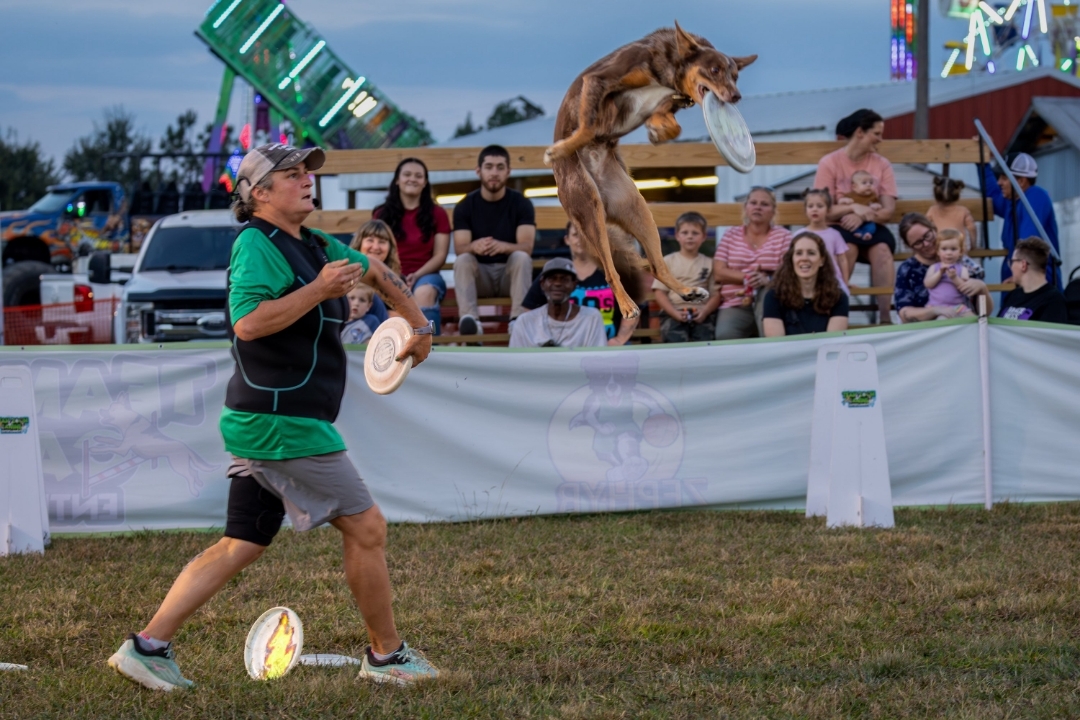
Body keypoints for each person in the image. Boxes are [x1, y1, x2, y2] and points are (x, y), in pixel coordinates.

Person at [106, 143, 439, 691]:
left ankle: (147, 647)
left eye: (308, 172)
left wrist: (419, 325)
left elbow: (377, 270)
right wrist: (318, 290)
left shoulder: (313, 243)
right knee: (367, 526)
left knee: (242, 543)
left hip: (265, 418)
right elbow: (248, 323)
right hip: (280, 423)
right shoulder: (256, 244)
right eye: (292, 174)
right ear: (259, 193)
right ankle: (387, 657)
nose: (307, 180)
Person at [813, 109, 898, 321]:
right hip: (840, 226)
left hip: (872, 225)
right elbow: (824, 209)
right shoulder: (830, 163)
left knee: (883, 251)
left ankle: (885, 318)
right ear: (860, 132)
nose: (880, 139)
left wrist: (862, 215)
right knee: (847, 248)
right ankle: (834, 314)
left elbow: (888, 210)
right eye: (876, 134)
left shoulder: (882, 164)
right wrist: (854, 208)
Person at [453, 145, 536, 339]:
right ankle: (471, 323)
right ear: (478, 171)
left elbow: (527, 247)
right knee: (463, 260)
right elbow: (460, 248)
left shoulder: (521, 203)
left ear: (508, 171)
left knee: (521, 257)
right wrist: (474, 246)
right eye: (489, 167)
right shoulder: (465, 206)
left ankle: (518, 321)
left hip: (509, 275)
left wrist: (504, 246)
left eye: (500, 167)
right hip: (480, 277)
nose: (494, 173)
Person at [520, 221, 639, 345]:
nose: (581, 240)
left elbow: (632, 310)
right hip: (564, 347)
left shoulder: (613, 273)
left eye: (586, 235)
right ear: (567, 239)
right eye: (576, 235)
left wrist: (619, 340)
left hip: (608, 346)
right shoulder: (555, 274)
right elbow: (529, 309)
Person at [373, 158, 451, 334]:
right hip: (389, 273)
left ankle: (429, 344)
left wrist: (416, 275)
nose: (412, 179)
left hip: (426, 274)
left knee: (425, 292)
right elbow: (376, 252)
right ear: (397, 180)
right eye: (407, 174)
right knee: (379, 292)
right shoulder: (381, 214)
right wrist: (396, 276)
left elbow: (440, 255)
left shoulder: (438, 214)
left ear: (425, 182)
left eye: (418, 176)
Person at [712, 187, 792, 340]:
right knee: (725, 335)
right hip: (736, 301)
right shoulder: (730, 234)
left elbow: (789, 273)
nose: (758, 207)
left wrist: (767, 280)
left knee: (768, 299)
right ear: (746, 208)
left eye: (764, 204)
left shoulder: (784, 236)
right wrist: (747, 277)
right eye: (753, 203)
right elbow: (718, 271)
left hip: (772, 299)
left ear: (773, 211)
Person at [894, 213, 993, 322]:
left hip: (963, 322)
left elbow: (985, 313)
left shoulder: (964, 263)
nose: (926, 243)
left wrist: (982, 289)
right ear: (909, 246)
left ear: (933, 228)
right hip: (927, 329)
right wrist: (935, 310)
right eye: (918, 243)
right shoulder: (907, 269)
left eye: (927, 235)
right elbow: (904, 313)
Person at [982, 153, 1061, 288]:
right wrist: (983, 163)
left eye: (1004, 178)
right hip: (1017, 277)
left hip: (1036, 284)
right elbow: (992, 195)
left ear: (1021, 182)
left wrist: (1018, 274)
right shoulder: (1011, 202)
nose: (999, 182)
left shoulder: (1036, 196)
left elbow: (1028, 241)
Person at [762, 233, 849, 337]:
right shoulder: (774, 296)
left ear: (822, 260)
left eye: (811, 253)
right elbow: (776, 343)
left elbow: (833, 342)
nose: (804, 258)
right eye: (799, 253)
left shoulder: (838, 297)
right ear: (792, 259)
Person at [653, 211, 722, 343]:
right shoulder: (667, 261)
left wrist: (705, 312)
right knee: (675, 343)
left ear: (704, 236)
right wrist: (674, 313)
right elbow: (659, 292)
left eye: (695, 233)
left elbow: (716, 294)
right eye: (685, 233)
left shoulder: (709, 263)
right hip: (674, 312)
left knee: (705, 343)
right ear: (677, 236)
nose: (690, 237)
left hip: (702, 313)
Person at [510, 258, 607, 348]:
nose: (557, 283)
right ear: (542, 284)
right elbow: (516, 359)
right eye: (552, 279)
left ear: (574, 285)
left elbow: (596, 358)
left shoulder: (591, 319)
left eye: (564, 279)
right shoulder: (525, 322)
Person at [998, 237, 1069, 323]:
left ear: (1023, 265)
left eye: (1012, 262)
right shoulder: (1013, 295)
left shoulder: (1054, 301)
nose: (1011, 267)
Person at [796, 189, 850, 294]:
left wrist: (845, 282)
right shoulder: (799, 235)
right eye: (810, 206)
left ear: (828, 210)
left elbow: (842, 260)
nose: (815, 209)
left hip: (831, 280)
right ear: (805, 210)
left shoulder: (835, 234)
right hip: (806, 280)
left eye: (820, 206)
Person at [923, 229, 974, 319]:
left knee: (973, 320)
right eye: (944, 249)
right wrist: (939, 273)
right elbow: (928, 284)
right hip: (937, 307)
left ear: (960, 251)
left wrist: (954, 277)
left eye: (953, 249)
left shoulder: (962, 269)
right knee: (942, 320)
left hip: (958, 307)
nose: (949, 253)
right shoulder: (934, 267)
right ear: (938, 251)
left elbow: (965, 289)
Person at [926, 176, 977, 251]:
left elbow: (925, 227)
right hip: (959, 250)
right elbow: (972, 228)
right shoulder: (963, 211)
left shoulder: (932, 210)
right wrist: (973, 246)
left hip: (940, 250)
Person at [838, 170, 882, 241]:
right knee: (850, 225)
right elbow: (840, 203)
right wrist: (843, 200)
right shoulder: (850, 195)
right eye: (864, 183)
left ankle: (867, 233)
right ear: (854, 187)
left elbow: (879, 205)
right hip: (852, 219)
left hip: (867, 220)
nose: (868, 185)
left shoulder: (873, 196)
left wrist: (876, 205)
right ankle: (858, 233)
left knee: (872, 226)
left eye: (871, 182)